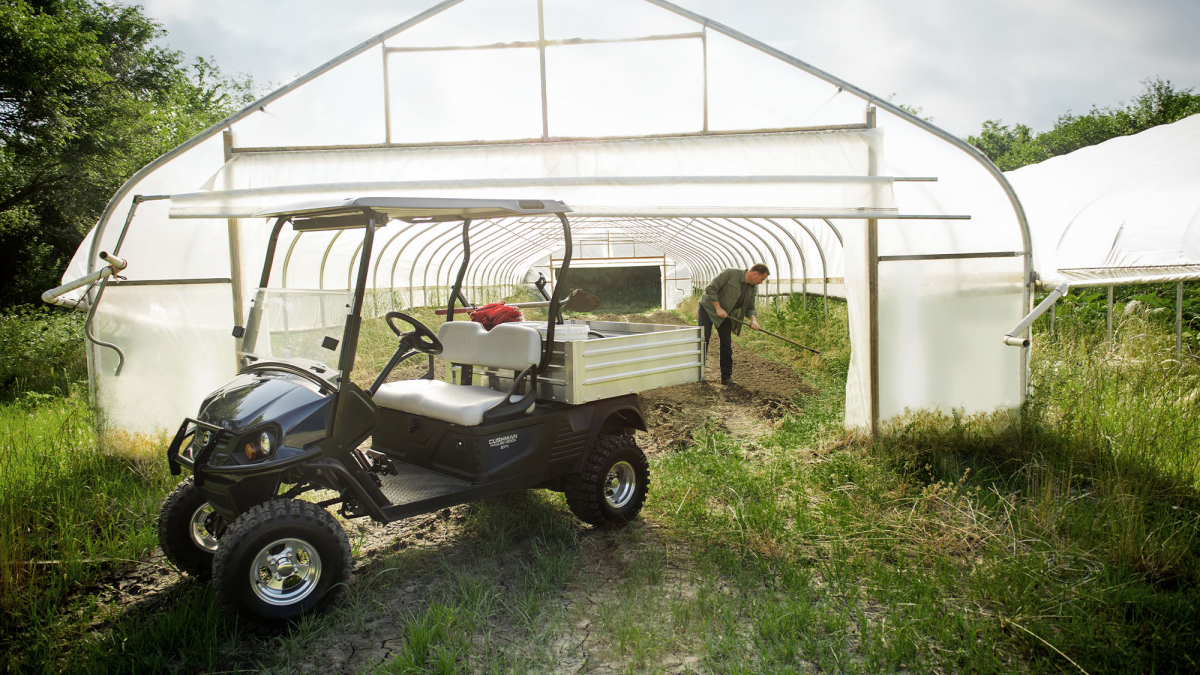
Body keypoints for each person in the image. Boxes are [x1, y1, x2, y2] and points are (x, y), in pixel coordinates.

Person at [698, 264, 769, 386]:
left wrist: (753, 320)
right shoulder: (730, 273)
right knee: (704, 340)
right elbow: (711, 289)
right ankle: (699, 375)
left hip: (726, 313)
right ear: (755, 274)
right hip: (708, 308)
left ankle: (726, 377)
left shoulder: (753, 287)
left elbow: (750, 307)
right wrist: (718, 308)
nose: (761, 283)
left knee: (726, 343)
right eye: (762, 279)